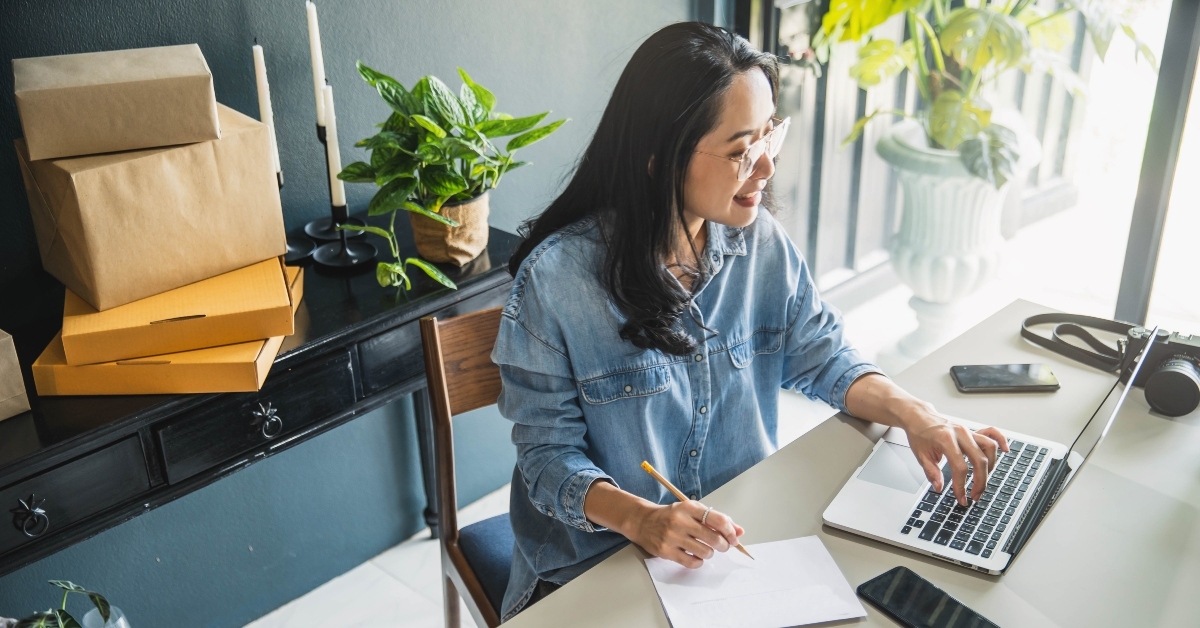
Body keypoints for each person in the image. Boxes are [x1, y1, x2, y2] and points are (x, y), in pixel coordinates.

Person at [491, 22, 1009, 621]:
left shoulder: (760, 244)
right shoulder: (557, 283)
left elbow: (823, 354)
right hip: (596, 563)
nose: (764, 170)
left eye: (769, 137)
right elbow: (547, 459)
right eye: (740, 151)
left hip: (734, 546)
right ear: (659, 160)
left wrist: (919, 415)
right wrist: (643, 519)